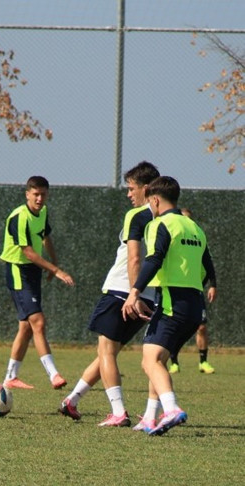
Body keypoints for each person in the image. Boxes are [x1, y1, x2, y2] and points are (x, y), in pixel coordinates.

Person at [59, 161, 159, 426]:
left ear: (147, 189)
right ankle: (72, 400)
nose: (128, 194)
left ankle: (118, 412)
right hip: (149, 296)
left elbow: (134, 259)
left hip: (122, 291)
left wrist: (132, 294)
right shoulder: (169, 219)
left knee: (105, 351)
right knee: (108, 353)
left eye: (131, 188)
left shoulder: (137, 216)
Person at [122, 176, 216, 435]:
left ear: (154, 199)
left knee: (149, 360)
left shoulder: (159, 224)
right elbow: (208, 268)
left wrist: (134, 292)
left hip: (172, 301)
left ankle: (172, 409)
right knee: (158, 360)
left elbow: (153, 260)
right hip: (194, 305)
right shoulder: (194, 227)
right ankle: (150, 418)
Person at [0, 176, 74, 390]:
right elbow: (28, 252)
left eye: (43, 194)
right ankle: (54, 375)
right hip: (17, 270)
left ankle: (10, 377)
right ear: (27, 194)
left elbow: (45, 236)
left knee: (26, 327)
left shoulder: (43, 212)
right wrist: (55, 270)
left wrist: (54, 261)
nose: (40, 198)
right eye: (36, 194)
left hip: (33, 272)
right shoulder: (19, 217)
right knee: (38, 322)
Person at [168, 208, 217, 374]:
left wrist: (213, 284)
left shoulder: (197, 238)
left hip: (196, 290)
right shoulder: (175, 241)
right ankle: (173, 360)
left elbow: (208, 262)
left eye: (189, 219)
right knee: (175, 327)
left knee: (201, 326)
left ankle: (203, 362)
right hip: (176, 291)